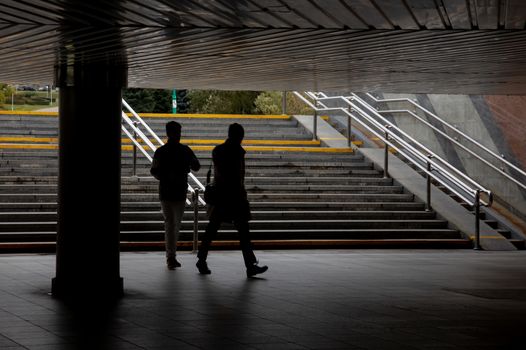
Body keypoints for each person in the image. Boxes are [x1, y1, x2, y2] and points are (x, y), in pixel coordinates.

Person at [196, 123, 268, 278]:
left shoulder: (218, 150)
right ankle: (250, 266)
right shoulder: (237, 152)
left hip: (221, 197)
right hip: (234, 197)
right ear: (239, 136)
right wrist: (242, 196)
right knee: (243, 233)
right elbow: (237, 177)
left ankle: (201, 259)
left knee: (212, 229)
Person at [151, 121, 200, 269]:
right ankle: (171, 256)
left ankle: (171, 256)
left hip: (166, 191)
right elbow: (196, 166)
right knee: (175, 224)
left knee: (170, 224)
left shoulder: (161, 151)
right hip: (179, 191)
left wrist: (166, 176)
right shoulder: (185, 150)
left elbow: (154, 171)